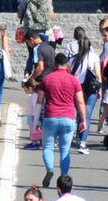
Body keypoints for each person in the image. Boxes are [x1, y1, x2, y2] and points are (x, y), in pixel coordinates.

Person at [37, 52, 86, 187]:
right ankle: (64, 177)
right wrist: (83, 120)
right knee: (65, 149)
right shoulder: (74, 80)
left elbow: (39, 101)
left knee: (48, 146)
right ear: (67, 64)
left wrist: (36, 120)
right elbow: (80, 102)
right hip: (68, 117)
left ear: (55, 63)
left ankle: (49, 169)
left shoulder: (46, 79)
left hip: (50, 116)